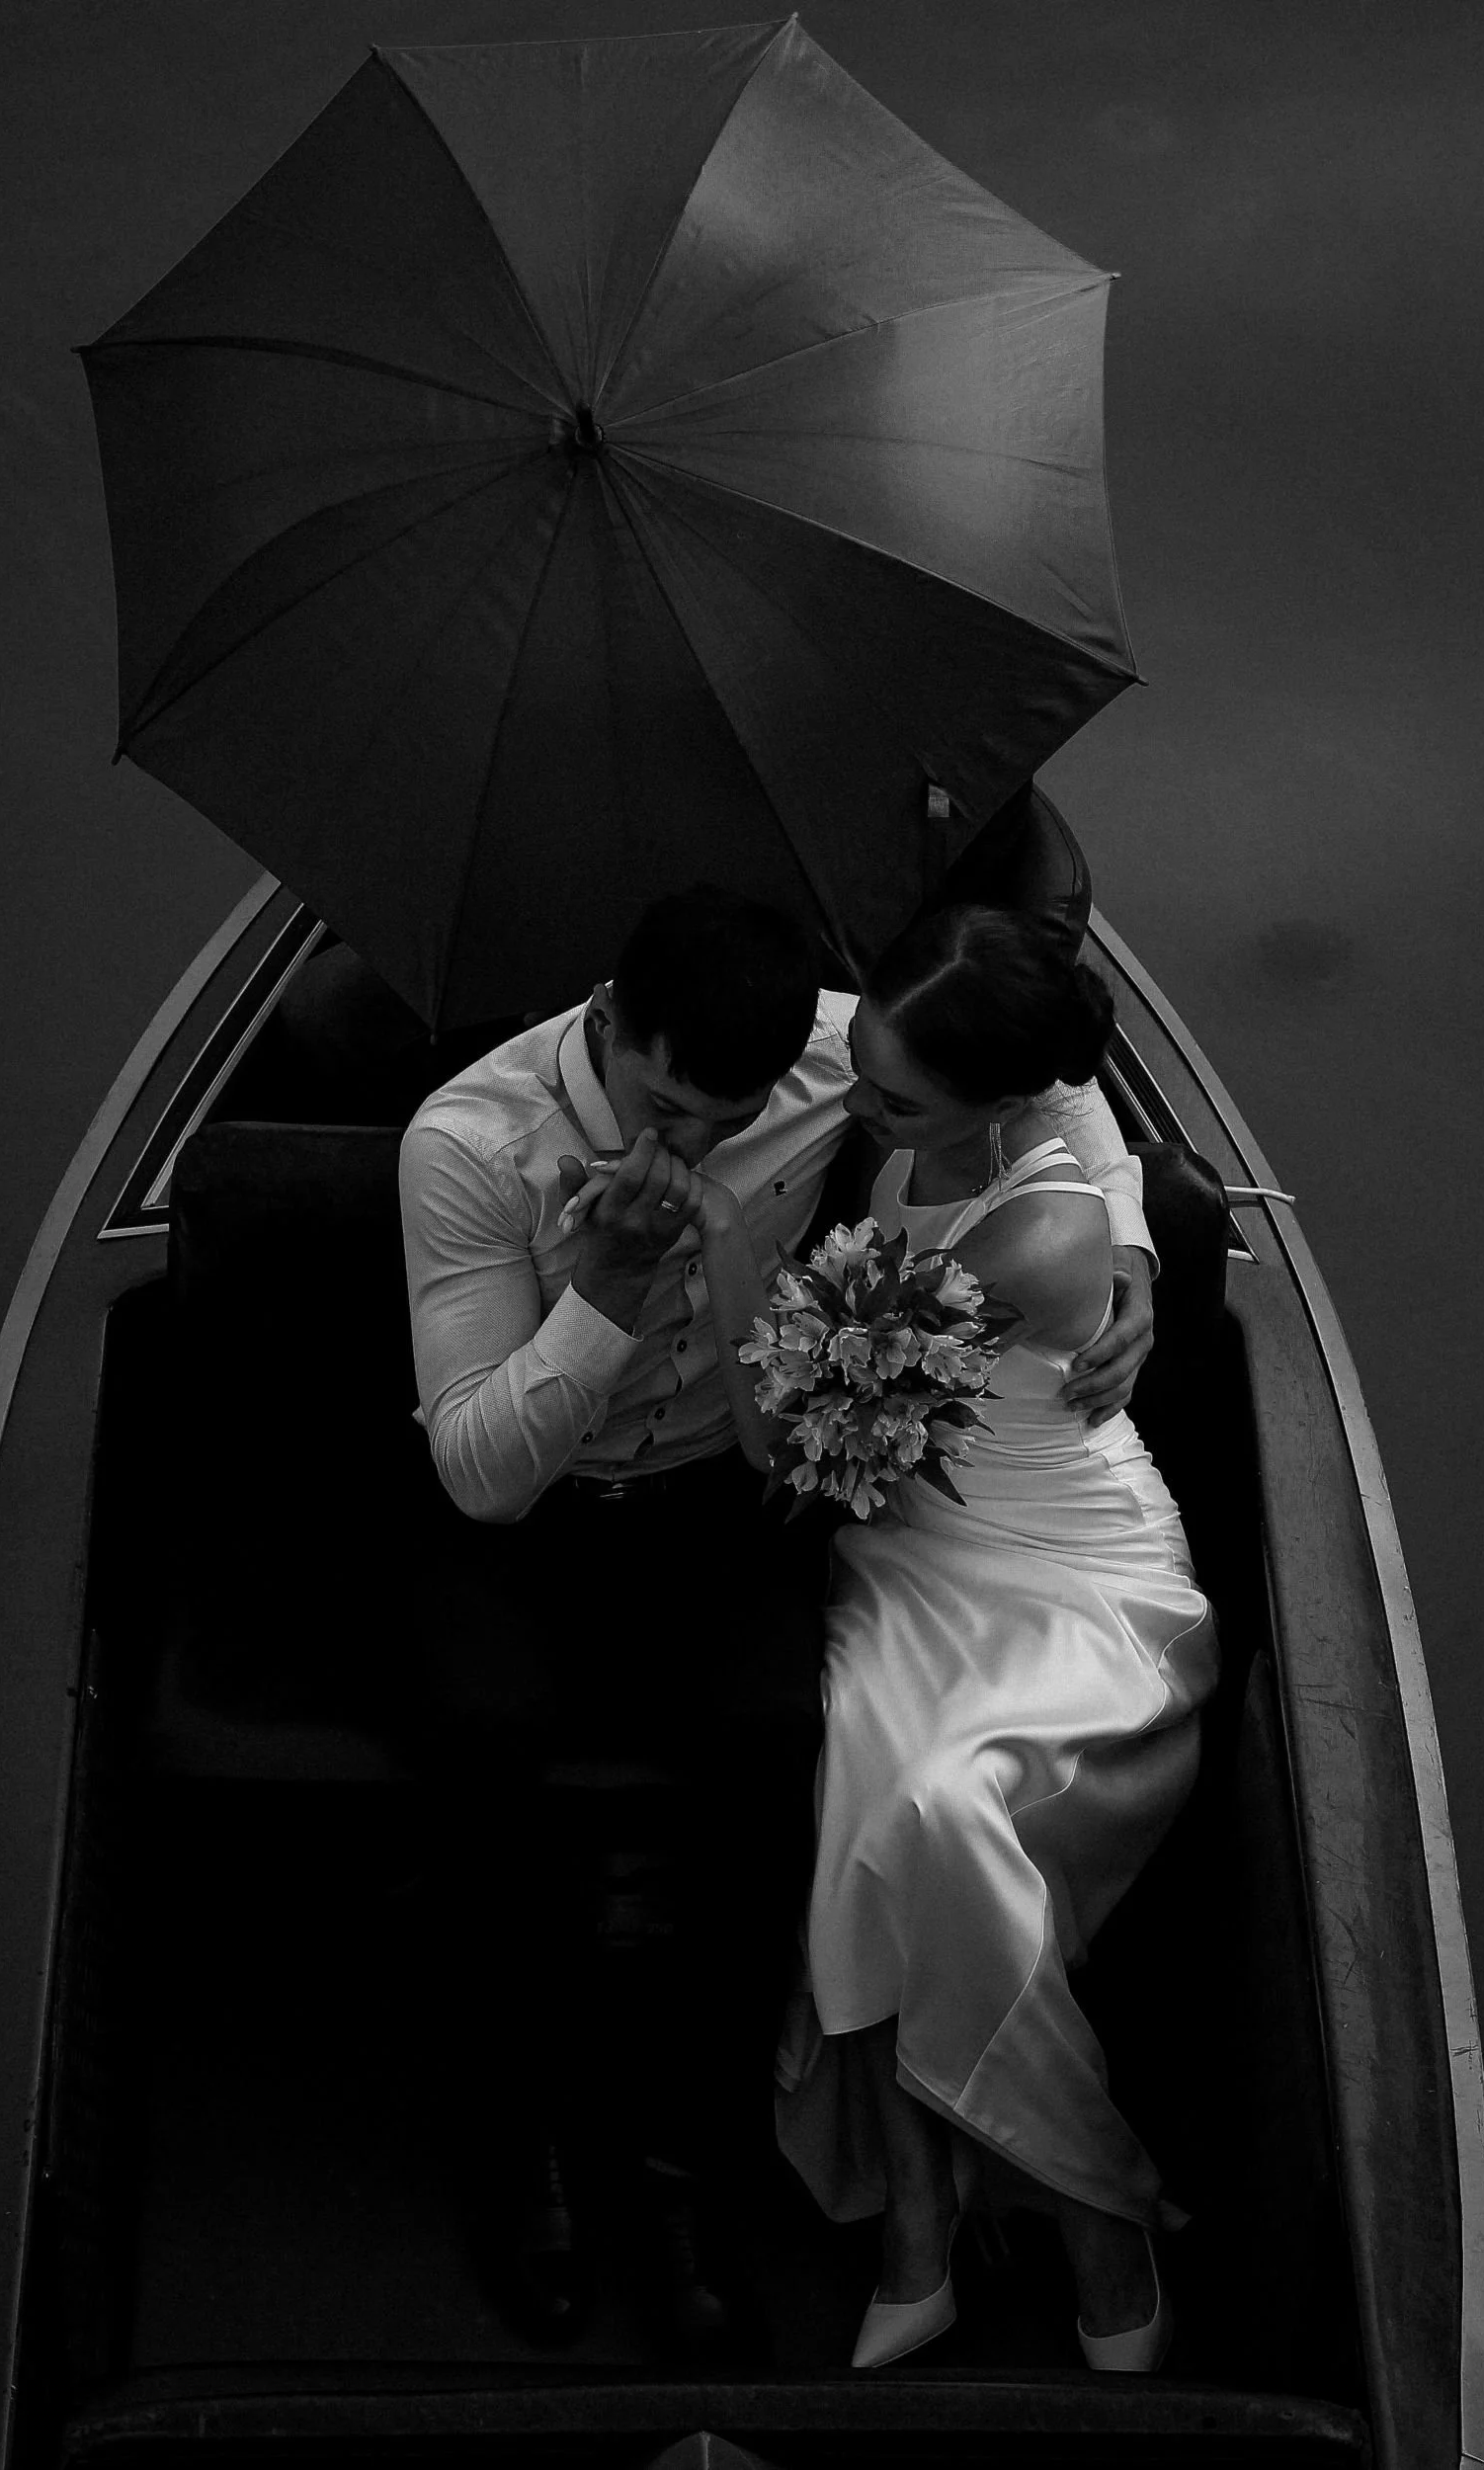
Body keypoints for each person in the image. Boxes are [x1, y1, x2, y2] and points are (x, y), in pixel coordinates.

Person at [398, 883, 1158, 2356]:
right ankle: (524, 2137)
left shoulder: (829, 1054)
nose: (688, 1148)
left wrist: (1125, 1245)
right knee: (480, 1743)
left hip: (718, 1490)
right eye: (665, 1110)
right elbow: (482, 1475)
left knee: (778, 1753)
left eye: (727, 1122)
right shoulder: (470, 1143)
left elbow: (1047, 1081)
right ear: (610, 1028)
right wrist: (605, 1291)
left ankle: (685, 2159)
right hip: (529, 1511)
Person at [729, 903, 1220, 2374]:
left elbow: (796, 1425)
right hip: (912, 1550)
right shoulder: (913, 1080)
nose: (856, 1106)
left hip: (1065, 1567)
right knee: (869, 1792)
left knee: (939, 1813)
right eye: (866, 1064)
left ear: (996, 1101)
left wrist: (717, 1251)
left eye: (892, 1100)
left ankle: (1090, 2208)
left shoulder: (1039, 1240)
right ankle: (921, 2227)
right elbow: (1075, 1106)